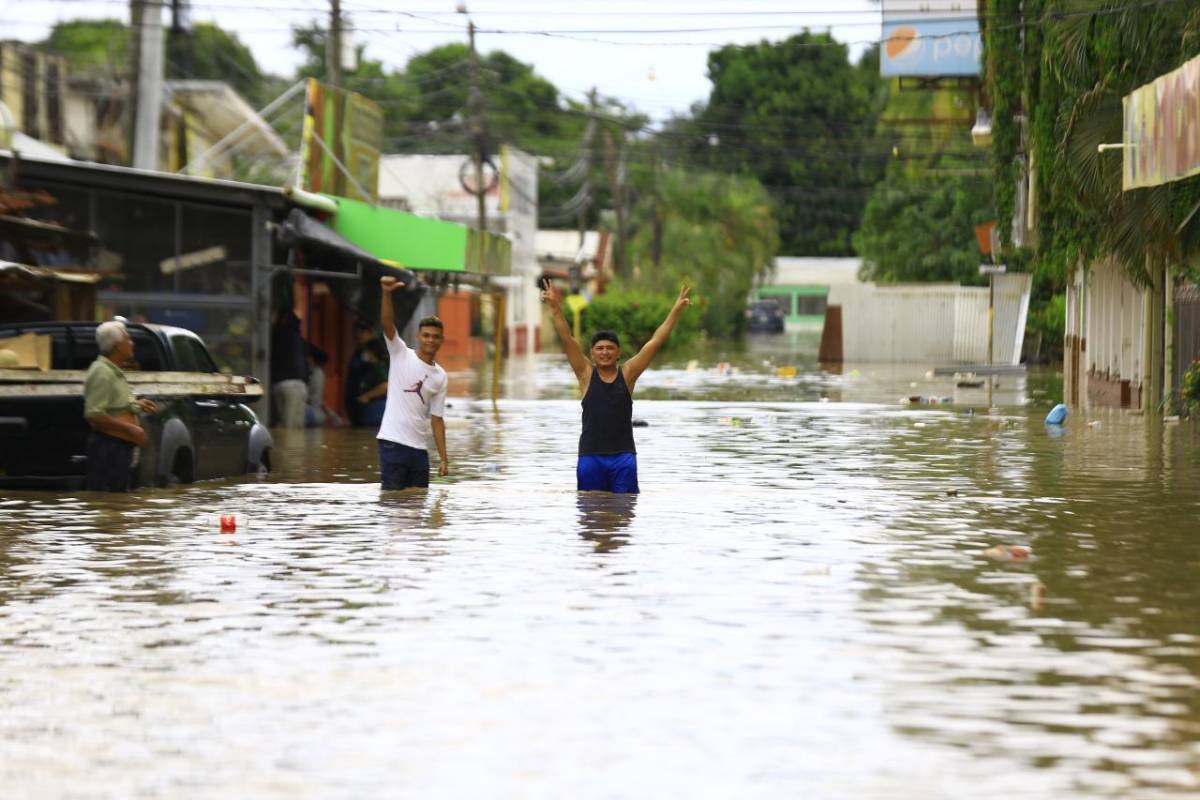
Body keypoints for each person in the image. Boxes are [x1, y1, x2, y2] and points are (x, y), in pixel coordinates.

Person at [542, 279, 691, 494]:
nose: (605, 352)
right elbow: (567, 339)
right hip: (590, 457)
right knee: (591, 516)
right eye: (600, 348)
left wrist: (676, 311)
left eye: (610, 348)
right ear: (592, 353)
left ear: (618, 352)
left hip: (623, 458)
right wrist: (555, 307)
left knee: (624, 512)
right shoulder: (585, 374)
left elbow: (655, 342)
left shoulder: (628, 374)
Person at [376, 275, 450, 489]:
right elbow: (387, 323)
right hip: (393, 443)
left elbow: (437, 420)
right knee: (392, 503)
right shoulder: (400, 354)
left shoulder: (440, 376)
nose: (430, 340)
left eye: (435, 336)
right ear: (418, 336)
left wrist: (444, 458)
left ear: (441, 340)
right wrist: (386, 293)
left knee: (418, 502)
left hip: (419, 449)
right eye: (426, 335)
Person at [83, 321, 157, 492]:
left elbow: (114, 405)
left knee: (118, 502)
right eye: (128, 339)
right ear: (117, 346)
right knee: (106, 502)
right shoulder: (101, 372)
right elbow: (93, 414)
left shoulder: (114, 371)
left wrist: (136, 405)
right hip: (108, 448)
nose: (132, 343)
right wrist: (130, 429)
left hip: (119, 448)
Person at [270, 308, 308, 428]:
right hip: (298, 385)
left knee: (286, 426)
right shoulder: (297, 338)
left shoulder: (274, 336)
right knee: (297, 427)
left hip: (281, 384)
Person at [344, 321, 377, 426]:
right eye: (356, 332)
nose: (358, 335)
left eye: (362, 332)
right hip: (357, 403)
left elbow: (385, 382)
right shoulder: (359, 351)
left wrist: (367, 396)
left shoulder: (377, 350)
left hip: (371, 405)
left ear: (370, 332)